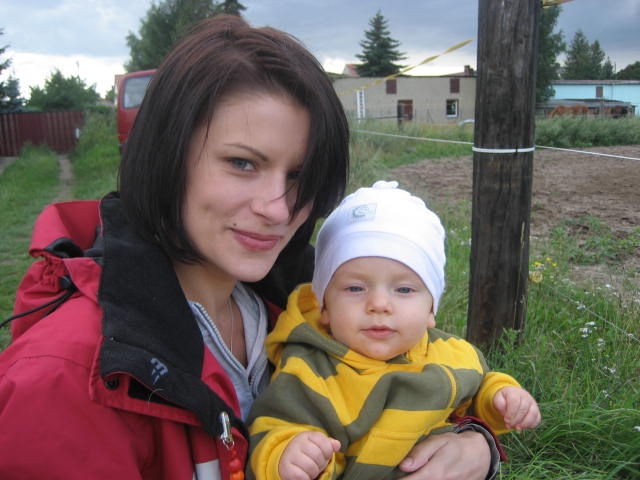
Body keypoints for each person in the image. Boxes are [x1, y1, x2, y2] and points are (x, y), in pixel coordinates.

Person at [0, 15, 499, 480]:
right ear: (168, 155)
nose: (278, 209)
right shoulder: (65, 379)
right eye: (242, 163)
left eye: (299, 174)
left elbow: (405, 382)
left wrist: (474, 443)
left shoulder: (304, 300)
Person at [248, 180, 541, 480]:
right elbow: (275, 426)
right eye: (355, 288)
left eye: (403, 289)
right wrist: (289, 456)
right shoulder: (311, 371)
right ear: (324, 306)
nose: (379, 304)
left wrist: (501, 397)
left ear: (431, 309)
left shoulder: (453, 354)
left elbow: (478, 391)